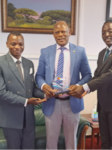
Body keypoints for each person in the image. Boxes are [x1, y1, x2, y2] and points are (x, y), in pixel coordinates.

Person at [70, 22, 112, 149]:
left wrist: (85, 87)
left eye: (110, 31)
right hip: (103, 105)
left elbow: (110, 75)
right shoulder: (102, 53)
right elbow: (98, 76)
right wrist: (82, 90)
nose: (106, 35)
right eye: (103, 33)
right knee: (105, 142)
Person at [35, 21, 91, 149]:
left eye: (63, 31)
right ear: (53, 34)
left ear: (69, 32)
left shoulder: (80, 51)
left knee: (71, 142)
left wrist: (78, 85)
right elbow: (39, 76)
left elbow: (88, 75)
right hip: (51, 103)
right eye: (57, 32)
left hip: (72, 104)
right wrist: (44, 86)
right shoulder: (45, 52)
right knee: (51, 142)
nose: (60, 35)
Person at [0, 32, 47, 149]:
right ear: (7, 44)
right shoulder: (1, 63)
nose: (17, 47)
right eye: (13, 44)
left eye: (20, 44)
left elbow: (32, 88)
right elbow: (1, 93)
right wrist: (26, 101)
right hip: (11, 119)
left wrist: (46, 94)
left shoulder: (29, 63)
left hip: (29, 119)